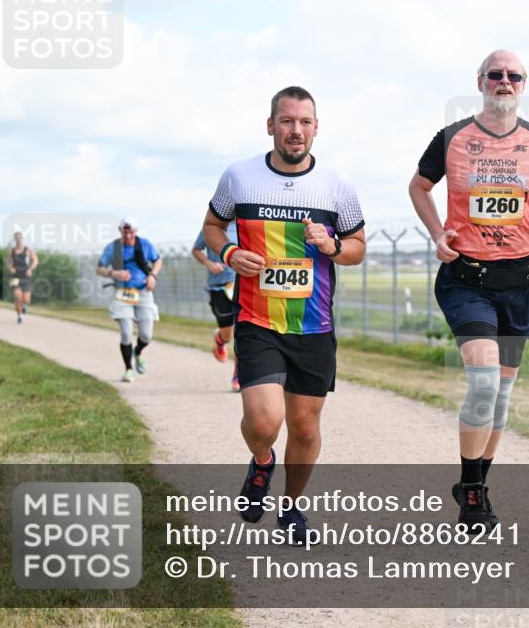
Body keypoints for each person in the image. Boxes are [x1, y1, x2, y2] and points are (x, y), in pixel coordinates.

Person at [409, 50, 529, 531]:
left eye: (513, 76)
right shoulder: (453, 137)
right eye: (495, 74)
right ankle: (473, 492)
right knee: (481, 382)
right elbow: (419, 187)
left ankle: (477, 479)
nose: (504, 81)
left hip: (519, 282)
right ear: (480, 81)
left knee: (500, 395)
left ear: (524, 84)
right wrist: (437, 234)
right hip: (467, 280)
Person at [202, 86, 366, 545]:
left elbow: (357, 248)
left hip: (314, 328)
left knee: (304, 426)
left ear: (316, 128)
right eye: (287, 121)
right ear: (271, 125)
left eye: (305, 122)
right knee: (263, 423)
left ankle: (291, 509)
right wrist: (231, 251)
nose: (296, 131)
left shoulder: (337, 184)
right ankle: (261, 462)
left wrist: (332, 245)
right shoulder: (240, 177)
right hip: (257, 320)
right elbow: (213, 226)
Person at [96, 218, 162, 383]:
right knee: (126, 333)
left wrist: (152, 276)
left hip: (143, 292)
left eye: (131, 232)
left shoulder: (145, 244)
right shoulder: (113, 247)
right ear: (120, 231)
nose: (128, 235)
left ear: (136, 231)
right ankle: (128, 369)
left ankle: (137, 352)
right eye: (125, 232)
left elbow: (158, 260)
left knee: (146, 335)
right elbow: (99, 268)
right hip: (122, 293)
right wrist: (114, 274)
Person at [191, 223, 240, 392]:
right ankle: (220, 339)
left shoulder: (246, 220)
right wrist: (209, 264)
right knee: (228, 333)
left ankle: (238, 375)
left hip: (241, 283)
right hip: (218, 286)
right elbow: (196, 250)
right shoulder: (212, 225)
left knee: (242, 332)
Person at [7, 232, 39, 324]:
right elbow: (8, 262)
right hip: (15, 277)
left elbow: (36, 261)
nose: (18, 240)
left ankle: (25, 306)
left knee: (26, 299)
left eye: (19, 238)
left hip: (25, 276)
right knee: (17, 296)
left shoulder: (28, 250)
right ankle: (19, 316)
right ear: (15, 239)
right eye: (16, 238)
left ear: (21, 239)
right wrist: (10, 268)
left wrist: (30, 269)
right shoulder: (11, 251)